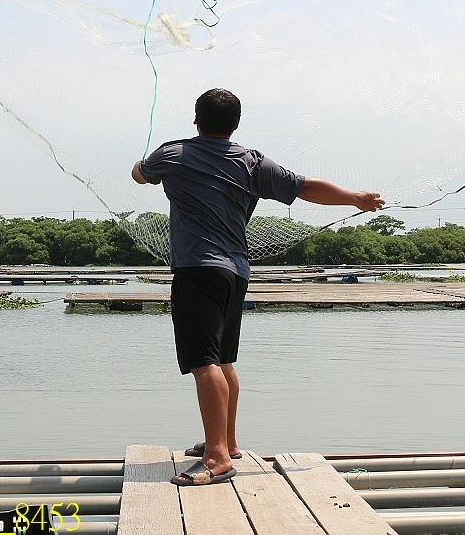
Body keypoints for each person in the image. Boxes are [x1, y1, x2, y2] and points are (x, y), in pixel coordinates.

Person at [131, 88, 383, 487]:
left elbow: (139, 174)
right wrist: (355, 198)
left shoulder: (173, 153)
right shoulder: (251, 162)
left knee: (203, 362)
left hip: (198, 269)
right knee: (223, 359)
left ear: (196, 120)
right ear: (235, 124)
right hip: (237, 273)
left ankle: (216, 458)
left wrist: (154, 161)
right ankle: (227, 443)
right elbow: (304, 187)